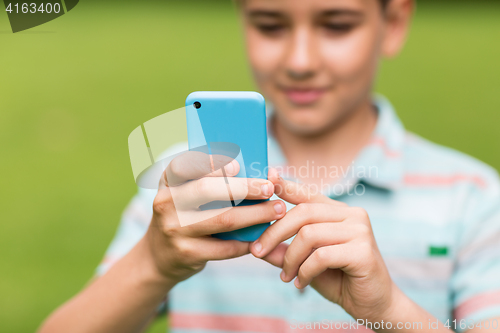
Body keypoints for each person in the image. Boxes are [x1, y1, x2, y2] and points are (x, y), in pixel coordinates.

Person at [38, 0, 500, 332]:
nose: (300, 61)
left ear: (394, 21)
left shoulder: (472, 198)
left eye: (337, 24)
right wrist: (154, 263)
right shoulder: (187, 183)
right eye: (270, 25)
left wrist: (389, 309)